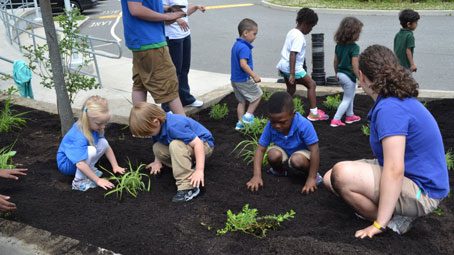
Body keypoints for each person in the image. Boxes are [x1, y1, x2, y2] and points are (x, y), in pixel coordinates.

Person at [323, 45, 449, 238]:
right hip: (411, 176)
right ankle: (394, 212)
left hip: (423, 191)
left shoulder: (391, 109)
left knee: (342, 174)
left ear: (362, 76)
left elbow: (394, 169)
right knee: (329, 178)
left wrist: (378, 223)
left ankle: (391, 222)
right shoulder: (393, 100)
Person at [129, 102, 214, 202]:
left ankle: (188, 187)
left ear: (156, 122)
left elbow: (198, 144)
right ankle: (186, 166)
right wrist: (157, 161)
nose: (148, 136)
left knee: (175, 145)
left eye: (148, 133)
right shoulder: (157, 127)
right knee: (157, 148)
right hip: (186, 147)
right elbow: (159, 141)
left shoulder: (174, 125)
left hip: (204, 146)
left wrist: (199, 170)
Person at [246, 91, 323, 194]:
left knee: (297, 160)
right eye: (273, 121)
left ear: (293, 114)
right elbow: (260, 149)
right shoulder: (270, 126)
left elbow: (315, 150)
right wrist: (256, 176)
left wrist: (311, 178)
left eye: (282, 122)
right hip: (285, 151)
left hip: (303, 154)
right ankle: (280, 171)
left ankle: (312, 175)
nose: (277, 126)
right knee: (273, 154)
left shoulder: (304, 125)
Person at [121, 0, 187, 114]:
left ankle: (140, 129)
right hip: (150, 42)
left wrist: (167, 9)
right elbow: (136, 9)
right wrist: (166, 16)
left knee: (139, 85)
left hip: (141, 42)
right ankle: (185, 129)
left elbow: (145, 5)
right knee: (169, 88)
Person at [57, 96, 126, 191]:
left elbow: (107, 147)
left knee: (103, 142)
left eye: (105, 123)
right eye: (99, 123)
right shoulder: (78, 136)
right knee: (91, 150)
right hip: (68, 164)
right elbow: (80, 164)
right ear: (87, 119)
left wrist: (115, 166)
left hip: (81, 159)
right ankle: (79, 182)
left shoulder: (95, 128)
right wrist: (98, 180)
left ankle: (89, 169)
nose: (103, 126)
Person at [276, 7, 328, 122]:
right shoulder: (299, 36)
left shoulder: (292, 32)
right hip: (292, 68)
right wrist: (292, 74)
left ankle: (282, 109)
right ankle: (314, 113)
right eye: (311, 27)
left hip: (283, 65)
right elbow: (293, 54)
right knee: (312, 85)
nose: (310, 30)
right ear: (305, 24)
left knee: (291, 90)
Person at [162, 0, 205, 109]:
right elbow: (162, 11)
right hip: (172, 37)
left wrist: (195, 7)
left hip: (185, 34)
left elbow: (184, 13)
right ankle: (167, 106)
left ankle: (185, 99)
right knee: (173, 72)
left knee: (184, 69)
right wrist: (177, 18)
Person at [330, 17, 363, 127]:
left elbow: (335, 61)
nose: (359, 35)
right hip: (349, 76)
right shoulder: (354, 48)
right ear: (353, 33)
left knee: (350, 95)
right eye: (358, 32)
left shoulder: (338, 46)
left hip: (340, 74)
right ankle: (336, 119)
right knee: (347, 98)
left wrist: (336, 74)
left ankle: (350, 116)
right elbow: (355, 64)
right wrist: (359, 77)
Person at [230, 18, 263, 130]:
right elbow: (243, 64)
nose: (255, 37)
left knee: (241, 101)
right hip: (243, 79)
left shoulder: (236, 45)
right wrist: (254, 75)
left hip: (234, 79)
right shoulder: (244, 48)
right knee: (258, 95)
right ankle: (247, 117)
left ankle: (240, 124)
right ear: (245, 33)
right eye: (254, 34)